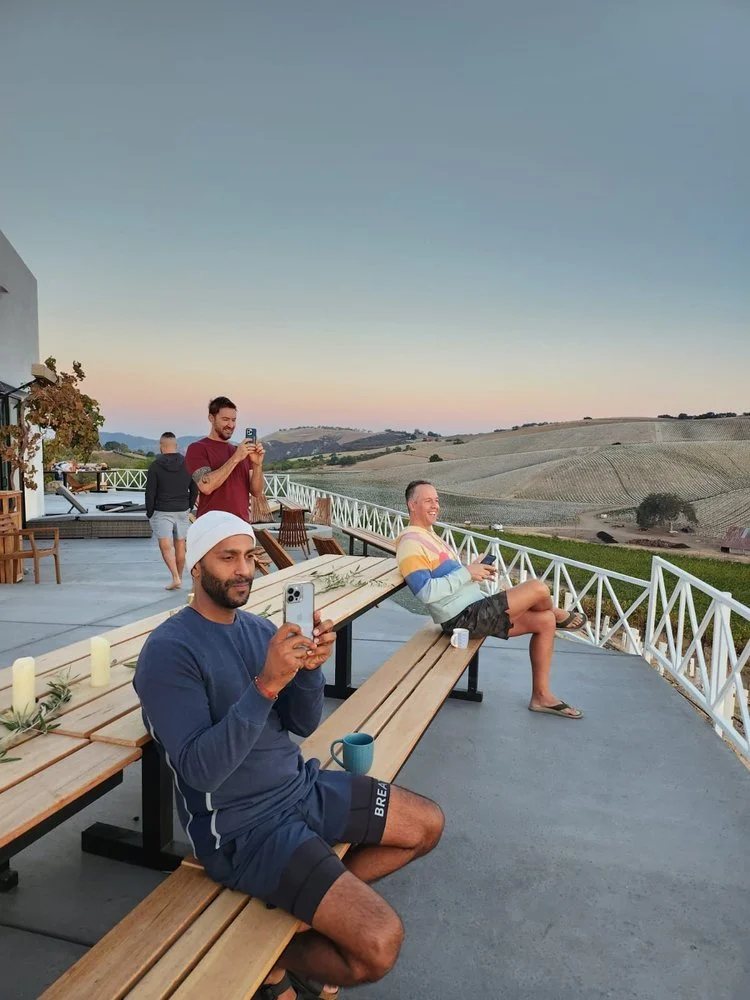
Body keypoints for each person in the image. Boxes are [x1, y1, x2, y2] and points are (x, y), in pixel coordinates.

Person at [134, 511, 445, 999]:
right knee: (378, 944)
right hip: (245, 830)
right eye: (227, 557)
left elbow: (302, 724)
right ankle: (279, 954)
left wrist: (307, 671)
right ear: (195, 567)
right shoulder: (168, 652)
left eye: (249, 556)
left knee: (425, 824)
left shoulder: (259, 629)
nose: (243, 569)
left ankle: (298, 917)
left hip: (300, 787)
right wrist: (268, 683)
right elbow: (200, 769)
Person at [396, 480, 585, 719]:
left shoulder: (429, 535)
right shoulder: (410, 543)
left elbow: (450, 579)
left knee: (544, 621)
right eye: (428, 501)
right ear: (412, 505)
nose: (435, 506)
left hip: (475, 607)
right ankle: (561, 614)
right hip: (463, 618)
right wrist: (467, 572)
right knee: (538, 588)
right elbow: (425, 592)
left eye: (437, 500)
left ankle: (541, 696)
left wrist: (474, 569)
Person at [185, 396, 266, 522]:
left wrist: (257, 465)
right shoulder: (197, 448)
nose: (231, 425)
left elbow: (257, 492)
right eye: (225, 419)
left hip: (241, 525)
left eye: (233, 420)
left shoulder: (240, 451)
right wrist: (235, 458)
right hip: (211, 526)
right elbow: (206, 487)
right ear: (211, 418)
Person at [145, 432, 198, 590]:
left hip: (162, 510)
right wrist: (189, 505)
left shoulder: (155, 466)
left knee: (165, 545)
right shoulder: (188, 463)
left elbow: (150, 492)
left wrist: (149, 512)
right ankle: (179, 577)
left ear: (161, 447)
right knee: (180, 544)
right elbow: (194, 488)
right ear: (175, 446)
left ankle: (175, 577)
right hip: (182, 509)